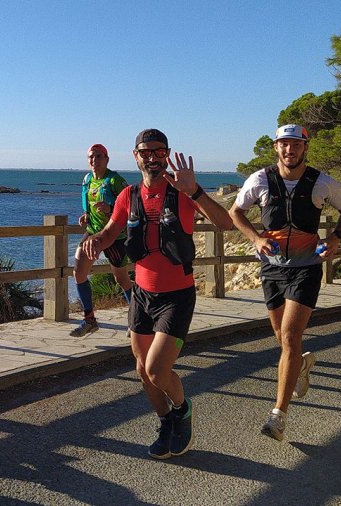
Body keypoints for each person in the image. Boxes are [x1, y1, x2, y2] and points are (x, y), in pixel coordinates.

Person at [82, 129, 233, 459]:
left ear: (167, 154)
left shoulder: (182, 194)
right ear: (135, 156)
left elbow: (226, 223)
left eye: (157, 151)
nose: (151, 157)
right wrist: (95, 241)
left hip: (177, 296)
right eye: (144, 152)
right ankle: (166, 422)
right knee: (141, 368)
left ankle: (182, 409)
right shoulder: (128, 196)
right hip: (142, 294)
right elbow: (110, 233)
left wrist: (195, 191)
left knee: (156, 370)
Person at [229, 124, 341, 441]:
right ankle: (299, 365)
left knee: (289, 335)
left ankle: (278, 416)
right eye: (284, 144)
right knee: (283, 339)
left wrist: (336, 238)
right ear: (276, 148)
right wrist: (255, 238)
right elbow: (236, 212)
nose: (290, 150)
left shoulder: (321, 182)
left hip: (307, 267)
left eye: (296, 145)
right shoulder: (259, 180)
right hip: (272, 269)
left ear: (305, 148)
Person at [70, 143, 132, 337]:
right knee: (78, 273)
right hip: (92, 232)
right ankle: (89, 319)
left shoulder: (115, 180)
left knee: (121, 279)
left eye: (98, 156)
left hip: (114, 235)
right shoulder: (87, 179)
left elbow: (131, 205)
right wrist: (86, 214)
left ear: (106, 159)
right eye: (91, 157)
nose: (94, 160)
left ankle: (137, 317)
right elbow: (87, 200)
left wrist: (111, 207)